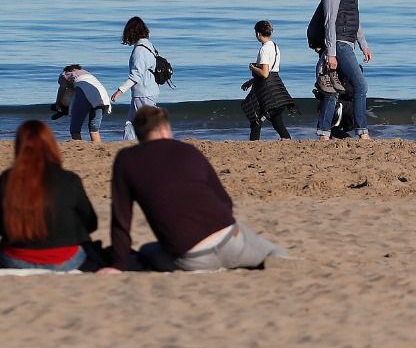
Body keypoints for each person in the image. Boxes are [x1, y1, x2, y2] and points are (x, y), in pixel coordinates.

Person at [105, 106, 285, 272]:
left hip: (194, 257)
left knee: (147, 250)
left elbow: (121, 217)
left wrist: (118, 264)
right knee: (272, 252)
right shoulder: (189, 150)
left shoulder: (126, 159)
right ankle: (284, 259)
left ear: (139, 134)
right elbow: (225, 202)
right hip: (231, 239)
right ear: (164, 129)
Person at [0, 120, 99, 271]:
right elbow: (91, 223)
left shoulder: (8, 180)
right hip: (64, 259)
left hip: (15, 259)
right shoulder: (69, 179)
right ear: (51, 145)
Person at [314, 0, 374, 140]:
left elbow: (353, 18)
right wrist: (331, 53)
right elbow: (329, 21)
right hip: (338, 44)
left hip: (346, 43)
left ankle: (324, 133)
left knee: (333, 89)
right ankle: (362, 131)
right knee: (360, 85)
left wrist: (363, 44)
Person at [241, 20, 296, 139]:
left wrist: (252, 67)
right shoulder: (275, 46)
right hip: (276, 85)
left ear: (258, 34)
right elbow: (271, 69)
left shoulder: (264, 49)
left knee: (256, 119)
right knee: (277, 122)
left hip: (268, 89)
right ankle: (287, 140)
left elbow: (265, 73)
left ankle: (254, 144)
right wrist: (251, 81)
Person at [110, 16, 161, 142]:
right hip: (150, 90)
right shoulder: (149, 46)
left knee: (143, 123)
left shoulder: (139, 51)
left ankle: (155, 143)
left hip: (143, 92)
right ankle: (128, 143)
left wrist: (119, 91)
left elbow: (135, 75)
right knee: (132, 123)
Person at [53, 64, 111, 143]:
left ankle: (78, 145)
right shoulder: (87, 73)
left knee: (75, 129)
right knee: (94, 129)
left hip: (84, 93)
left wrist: (57, 103)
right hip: (102, 95)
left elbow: (62, 89)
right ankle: (97, 147)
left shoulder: (65, 74)